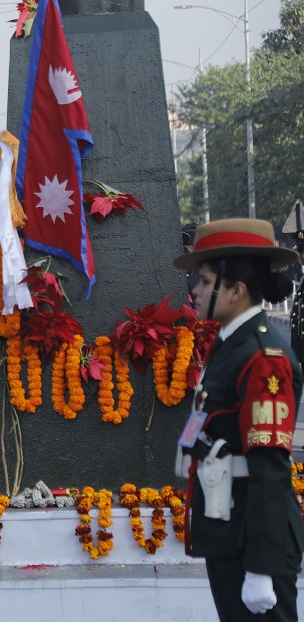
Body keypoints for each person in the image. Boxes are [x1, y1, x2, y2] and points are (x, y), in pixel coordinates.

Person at [173, 218, 304, 621]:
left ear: (236, 290)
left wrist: (262, 566)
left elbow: (270, 468)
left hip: (252, 540)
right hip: (230, 531)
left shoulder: (263, 356)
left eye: (206, 280)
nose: (194, 289)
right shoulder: (231, 343)